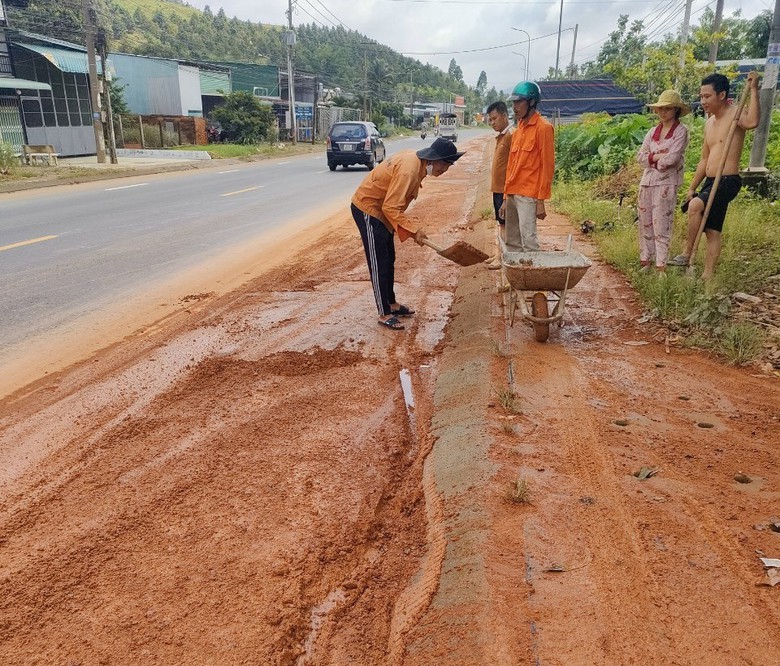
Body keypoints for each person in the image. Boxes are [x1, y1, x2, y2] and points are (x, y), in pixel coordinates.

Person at [351, 137, 465, 330]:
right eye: (445, 165)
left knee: (389, 258)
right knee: (379, 262)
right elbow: (391, 207)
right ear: (435, 159)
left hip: (382, 212)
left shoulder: (418, 164)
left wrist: (412, 231)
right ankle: (384, 313)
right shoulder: (410, 170)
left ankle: (392, 304)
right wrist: (414, 231)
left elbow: (391, 206)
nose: (444, 170)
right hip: (368, 209)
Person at [667, 72, 760, 279]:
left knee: (695, 206)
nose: (703, 101)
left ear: (722, 95)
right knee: (712, 231)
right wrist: (692, 187)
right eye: (701, 96)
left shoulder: (736, 115)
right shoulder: (709, 123)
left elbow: (753, 122)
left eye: (707, 96)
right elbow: (704, 160)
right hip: (711, 180)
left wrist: (754, 89)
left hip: (727, 180)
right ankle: (707, 277)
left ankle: (687, 253)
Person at [636, 90, 691, 272]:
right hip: (647, 182)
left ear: (675, 110)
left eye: (667, 109)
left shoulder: (681, 132)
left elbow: (673, 159)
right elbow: (640, 157)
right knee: (646, 222)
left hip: (666, 184)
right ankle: (646, 260)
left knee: (662, 223)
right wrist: (657, 157)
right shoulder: (652, 132)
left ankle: (661, 265)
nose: (663, 112)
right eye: (661, 109)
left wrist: (654, 159)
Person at [500, 81, 555, 253]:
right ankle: (516, 279)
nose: (514, 107)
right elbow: (511, 165)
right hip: (512, 193)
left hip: (529, 195)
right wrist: (504, 197)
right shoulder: (519, 129)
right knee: (512, 241)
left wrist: (541, 200)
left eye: (519, 102)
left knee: (529, 241)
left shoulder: (543, 128)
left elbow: (547, 167)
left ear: (531, 102)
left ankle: (533, 278)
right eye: (513, 103)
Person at [484, 100, 513, 269]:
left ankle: (502, 257)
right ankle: (498, 253)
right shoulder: (501, 136)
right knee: (500, 224)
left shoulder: (511, 136)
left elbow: (512, 167)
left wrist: (506, 195)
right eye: (490, 120)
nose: (492, 123)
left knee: (505, 226)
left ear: (504, 116)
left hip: (504, 191)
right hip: (498, 189)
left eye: (495, 119)